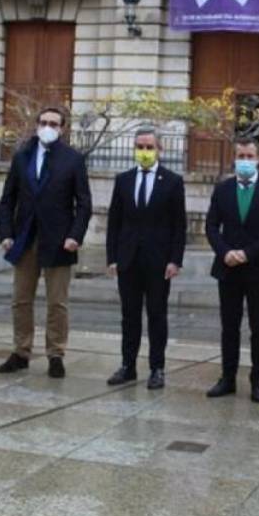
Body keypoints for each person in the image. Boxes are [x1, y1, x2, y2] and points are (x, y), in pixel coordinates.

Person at [0, 106, 92, 379]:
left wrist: (75, 235)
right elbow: (8, 199)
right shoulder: (22, 157)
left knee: (57, 302)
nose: (48, 127)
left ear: (62, 128)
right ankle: (21, 351)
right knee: (21, 299)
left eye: (54, 123)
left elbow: (83, 203)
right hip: (25, 237)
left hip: (59, 241)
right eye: (44, 121)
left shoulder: (72, 159)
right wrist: (6, 233)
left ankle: (56, 353)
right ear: (36, 124)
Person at [204, 137, 259, 403]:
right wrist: (225, 251)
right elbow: (211, 226)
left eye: (250, 156)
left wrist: (247, 253)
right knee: (229, 325)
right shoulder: (223, 189)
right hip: (228, 267)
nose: (245, 161)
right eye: (241, 155)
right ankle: (227, 378)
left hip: (258, 268)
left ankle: (258, 380)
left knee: (258, 326)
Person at [105, 128, 187, 390]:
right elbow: (114, 222)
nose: (144, 152)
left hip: (158, 262)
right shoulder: (124, 180)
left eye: (149, 147)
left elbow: (179, 225)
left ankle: (157, 368)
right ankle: (128, 365)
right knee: (129, 316)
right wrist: (112, 258)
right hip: (128, 260)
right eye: (140, 146)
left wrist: (175, 260)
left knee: (156, 315)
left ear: (159, 149)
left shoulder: (173, 181)